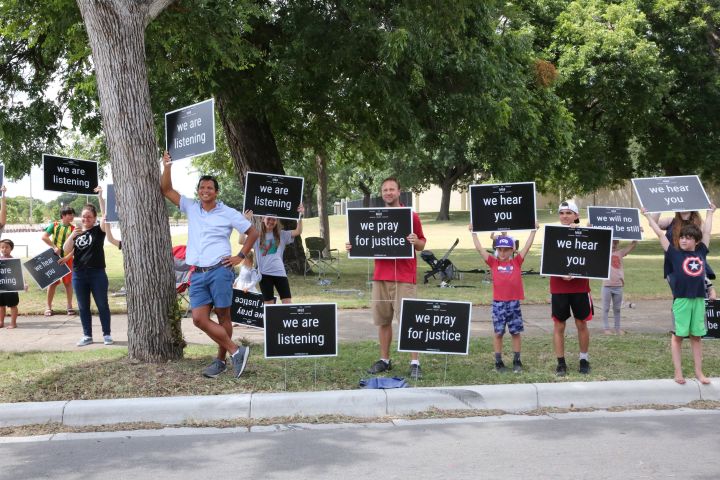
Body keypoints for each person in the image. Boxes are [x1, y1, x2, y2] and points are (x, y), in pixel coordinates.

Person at [161, 151, 259, 379]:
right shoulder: (191, 207)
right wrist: (167, 166)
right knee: (198, 319)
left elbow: (253, 232)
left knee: (224, 317)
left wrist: (240, 256)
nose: (205, 191)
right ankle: (237, 351)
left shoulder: (228, 213)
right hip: (197, 274)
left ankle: (220, 361)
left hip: (220, 271)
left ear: (216, 192)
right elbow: (166, 190)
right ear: (198, 191)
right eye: (202, 188)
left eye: (210, 188)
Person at [346, 177, 427, 380]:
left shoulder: (411, 217)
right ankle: (385, 360)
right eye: (385, 190)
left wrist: (415, 241)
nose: (388, 193)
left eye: (392, 189)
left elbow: (422, 244)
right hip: (380, 276)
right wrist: (353, 246)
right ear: (381, 193)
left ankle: (415, 362)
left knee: (409, 320)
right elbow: (364, 240)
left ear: (399, 192)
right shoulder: (373, 217)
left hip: (404, 277)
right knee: (383, 320)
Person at [644, 204, 715, 385]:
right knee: (678, 336)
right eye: (682, 237)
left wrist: (709, 213)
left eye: (689, 238)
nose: (684, 240)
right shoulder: (674, 254)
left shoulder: (701, 252)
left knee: (696, 337)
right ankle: (678, 372)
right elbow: (660, 233)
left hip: (699, 300)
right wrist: (647, 216)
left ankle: (699, 372)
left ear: (696, 241)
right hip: (682, 301)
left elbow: (706, 232)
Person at [471, 224, 538, 373]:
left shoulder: (516, 262)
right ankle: (498, 361)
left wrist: (533, 230)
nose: (502, 252)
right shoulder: (493, 263)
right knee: (498, 333)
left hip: (514, 303)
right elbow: (479, 249)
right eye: (499, 249)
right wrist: (473, 232)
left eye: (506, 249)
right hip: (498, 304)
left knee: (515, 332)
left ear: (512, 250)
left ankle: (517, 360)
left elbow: (527, 246)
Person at [62, 193, 112, 347]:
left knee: (102, 304)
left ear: (94, 218)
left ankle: (107, 334)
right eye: (84, 216)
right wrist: (72, 236)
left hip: (97, 273)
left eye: (89, 217)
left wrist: (101, 198)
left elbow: (105, 216)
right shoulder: (76, 232)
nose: (86, 219)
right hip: (79, 274)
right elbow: (65, 249)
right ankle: (87, 335)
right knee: (83, 306)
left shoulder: (98, 230)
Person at [550, 200, 593, 376]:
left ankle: (584, 359)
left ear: (576, 216)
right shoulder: (552, 234)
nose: (564, 216)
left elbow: (594, 257)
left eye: (568, 213)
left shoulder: (586, 234)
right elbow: (547, 258)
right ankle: (561, 363)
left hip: (580, 286)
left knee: (581, 323)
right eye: (561, 213)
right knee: (559, 325)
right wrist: (560, 272)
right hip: (559, 286)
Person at [241, 205, 304, 304]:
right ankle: (271, 320)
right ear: (262, 219)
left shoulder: (282, 234)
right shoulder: (256, 236)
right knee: (269, 305)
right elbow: (241, 241)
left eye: (274, 220)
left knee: (287, 303)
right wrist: (245, 221)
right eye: (268, 219)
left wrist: (300, 217)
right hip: (264, 275)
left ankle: (284, 320)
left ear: (277, 221)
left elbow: (298, 231)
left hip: (280, 273)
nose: (271, 221)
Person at [41, 205, 76, 316]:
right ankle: (48, 307)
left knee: (68, 283)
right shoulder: (54, 225)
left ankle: (69, 306)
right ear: (63, 215)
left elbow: (76, 247)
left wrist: (67, 257)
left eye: (72, 214)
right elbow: (44, 237)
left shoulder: (73, 229)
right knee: (52, 283)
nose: (72, 216)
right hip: (55, 258)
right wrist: (54, 247)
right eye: (70, 214)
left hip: (68, 258)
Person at [602, 240, 638, 335]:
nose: (613, 246)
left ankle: (617, 328)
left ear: (617, 244)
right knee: (605, 308)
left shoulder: (620, 253)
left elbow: (632, 245)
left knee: (617, 309)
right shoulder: (603, 252)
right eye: (611, 243)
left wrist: (636, 235)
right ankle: (606, 328)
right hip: (607, 285)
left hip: (618, 286)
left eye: (615, 243)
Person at [0, 239, 28, 328]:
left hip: (12, 288)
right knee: (1, 306)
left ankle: (13, 323)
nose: (4, 249)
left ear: (11, 248)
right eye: (2, 247)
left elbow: (19, 274)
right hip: (1, 287)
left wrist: (24, 283)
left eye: (7, 247)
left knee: (13, 306)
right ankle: (1, 322)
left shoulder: (14, 261)